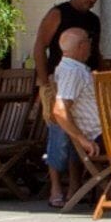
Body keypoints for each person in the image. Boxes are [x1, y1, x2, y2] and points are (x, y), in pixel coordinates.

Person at [44, 21, 104, 200]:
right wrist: (82, 140)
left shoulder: (68, 68)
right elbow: (60, 111)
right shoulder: (73, 72)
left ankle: (71, 189)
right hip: (102, 135)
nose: (91, 46)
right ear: (81, 46)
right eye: (88, 41)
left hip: (99, 131)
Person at [39, 0, 104, 67]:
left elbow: (95, 52)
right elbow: (39, 48)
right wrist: (44, 80)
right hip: (60, 78)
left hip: (87, 77)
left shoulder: (94, 20)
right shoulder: (57, 14)